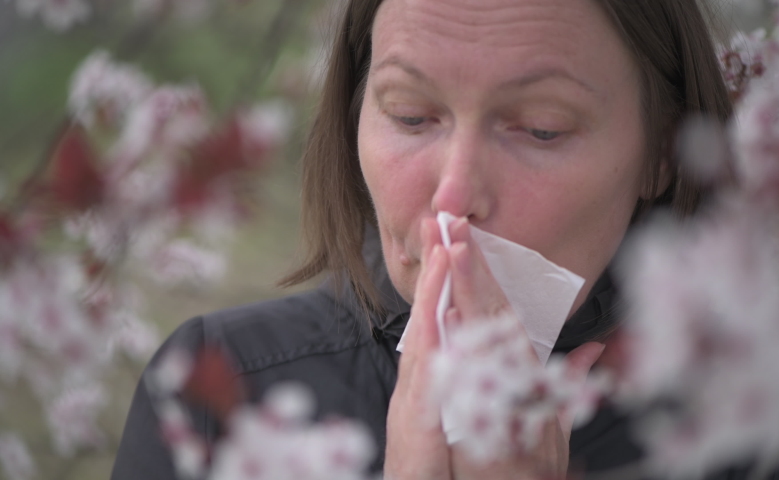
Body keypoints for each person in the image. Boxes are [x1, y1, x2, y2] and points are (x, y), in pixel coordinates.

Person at [111, 0, 734, 478]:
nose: (454, 195)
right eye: (410, 115)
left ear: (664, 152)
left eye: (542, 129)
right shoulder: (218, 385)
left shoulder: (775, 423)